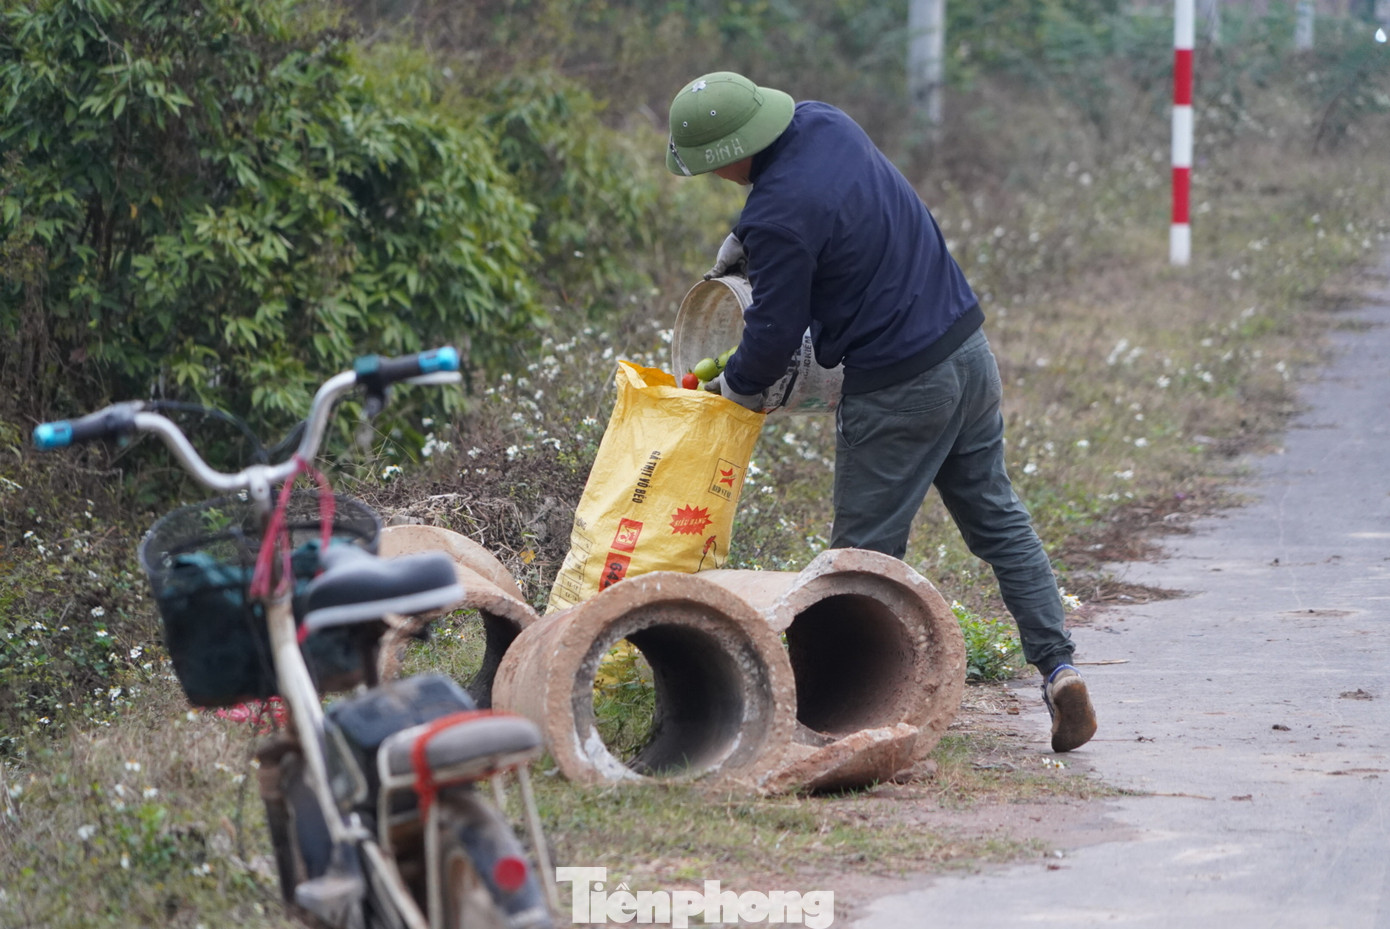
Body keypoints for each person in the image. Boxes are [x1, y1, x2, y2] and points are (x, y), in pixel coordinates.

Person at [665, 71, 1097, 753]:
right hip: (967, 349)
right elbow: (837, 218)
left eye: (714, 167)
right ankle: (1060, 667)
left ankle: (836, 716)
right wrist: (753, 245)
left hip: (900, 386)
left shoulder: (775, 212)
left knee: (858, 561)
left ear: (729, 154)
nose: (718, 179)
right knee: (999, 518)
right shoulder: (825, 121)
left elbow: (773, 335)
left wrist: (734, 391)